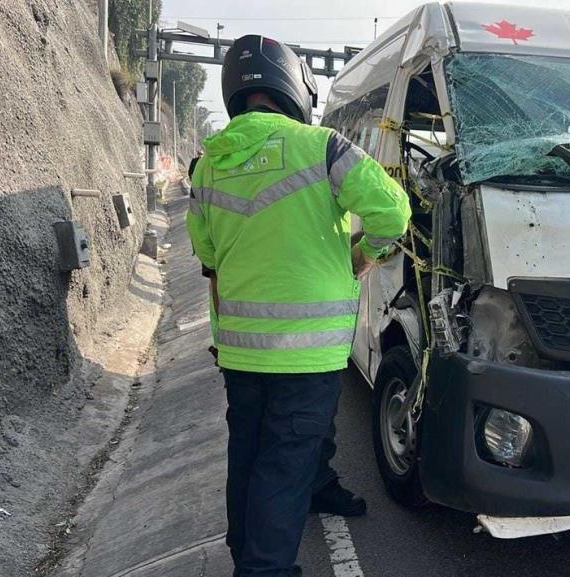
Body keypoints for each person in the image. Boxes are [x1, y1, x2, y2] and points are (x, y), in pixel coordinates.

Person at [186, 34, 411, 577]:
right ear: (292, 88)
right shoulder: (324, 147)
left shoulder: (207, 167)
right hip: (306, 354)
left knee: (250, 452)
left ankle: (313, 492)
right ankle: (264, 568)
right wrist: (367, 253)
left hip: (241, 350)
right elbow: (392, 211)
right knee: (282, 460)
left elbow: (207, 253)